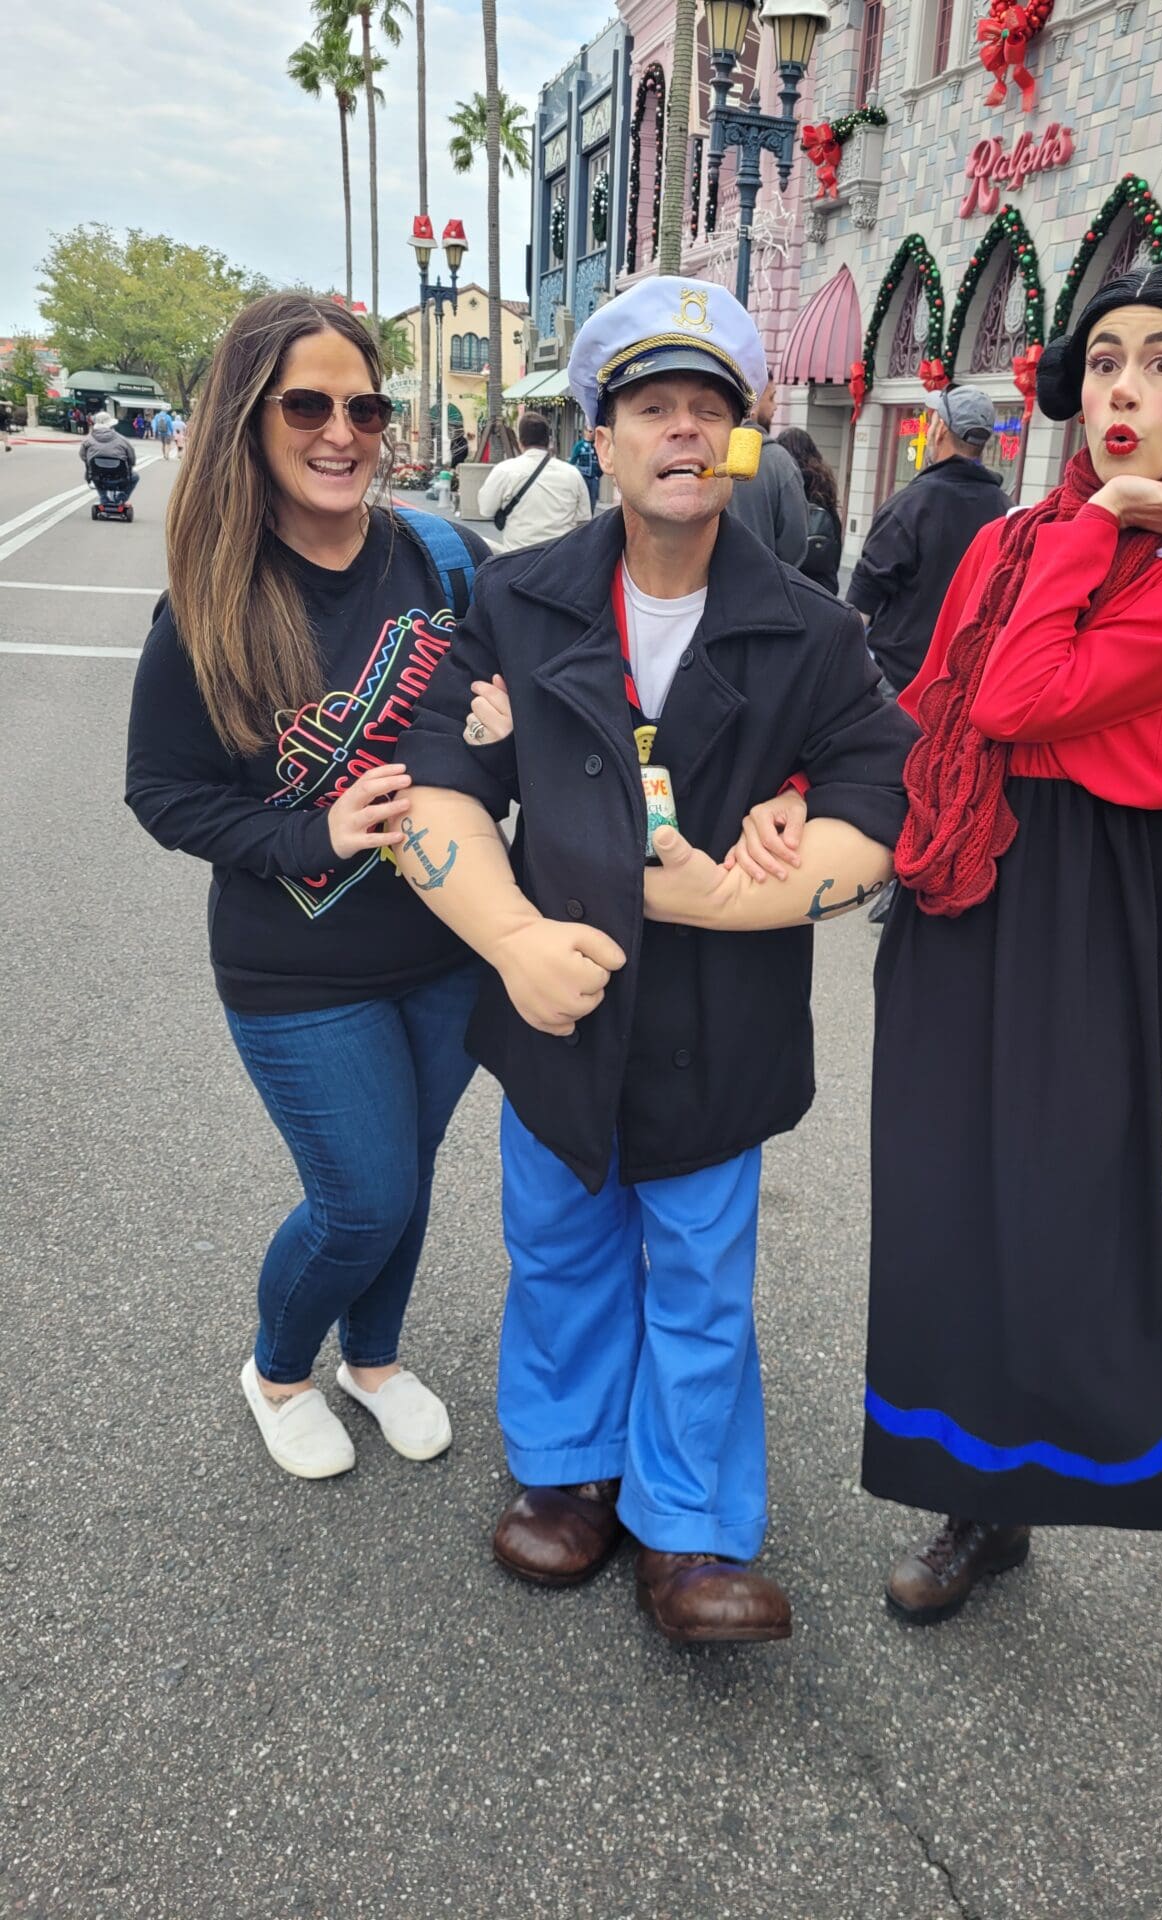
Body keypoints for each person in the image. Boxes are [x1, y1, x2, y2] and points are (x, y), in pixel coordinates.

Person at [840, 263, 1162, 1750]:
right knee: (941, 1203)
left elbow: (1019, 698)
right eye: (1105, 360)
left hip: (1082, 909)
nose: (1124, 389)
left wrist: (1106, 528)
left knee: (1073, 1231)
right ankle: (984, 1501)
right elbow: (935, 701)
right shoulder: (1008, 532)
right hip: (958, 893)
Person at [394, 275, 914, 1645]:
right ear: (602, 440)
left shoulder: (816, 630)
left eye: (710, 410)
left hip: (719, 1025)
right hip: (554, 1010)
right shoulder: (513, 602)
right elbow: (437, 782)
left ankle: (690, 1532)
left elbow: (878, 810)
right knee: (558, 1246)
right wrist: (508, 938)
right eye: (650, 408)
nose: (682, 432)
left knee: (696, 1275)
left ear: (741, 439)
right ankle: (568, 1472)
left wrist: (723, 904)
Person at [125, 292, 490, 1481]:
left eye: (365, 406)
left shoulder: (441, 558)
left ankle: (371, 1361)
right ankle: (279, 1367)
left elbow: (541, 687)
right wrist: (312, 832)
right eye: (308, 404)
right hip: (295, 968)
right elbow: (165, 792)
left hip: (445, 944)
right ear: (250, 419)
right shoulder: (212, 602)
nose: (343, 430)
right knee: (361, 1197)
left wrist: (510, 725)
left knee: (413, 1175)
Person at [847, 386, 1011, 698]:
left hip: (897, 683)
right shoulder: (1005, 512)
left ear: (940, 431)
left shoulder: (910, 505)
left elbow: (860, 606)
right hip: (963, 687)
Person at [476, 410, 591, 552]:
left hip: (518, 558)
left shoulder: (504, 471)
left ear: (520, 441)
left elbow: (485, 509)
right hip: (560, 559)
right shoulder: (572, 474)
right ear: (548, 440)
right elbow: (583, 520)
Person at [724, 381, 807, 567]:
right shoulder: (780, 463)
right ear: (751, 406)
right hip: (763, 584)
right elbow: (795, 542)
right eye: (771, 398)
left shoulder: (709, 454)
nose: (776, 406)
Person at [777, 426, 843, 594]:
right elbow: (835, 529)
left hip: (793, 581)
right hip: (823, 582)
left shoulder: (784, 481)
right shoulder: (823, 481)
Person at [78, 412, 138, 503]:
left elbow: (83, 456)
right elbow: (132, 459)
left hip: (98, 477)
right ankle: (122, 497)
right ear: (111, 425)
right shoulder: (122, 440)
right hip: (120, 477)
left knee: (95, 473)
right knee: (135, 477)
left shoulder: (87, 440)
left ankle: (103, 497)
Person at [569, 423, 602, 508]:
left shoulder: (596, 445)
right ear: (585, 431)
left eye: (593, 432)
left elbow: (601, 460)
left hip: (594, 478)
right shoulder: (579, 445)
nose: (592, 434)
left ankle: (591, 518)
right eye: (590, 431)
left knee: (592, 501)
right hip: (583, 477)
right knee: (582, 500)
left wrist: (598, 474)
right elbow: (572, 461)